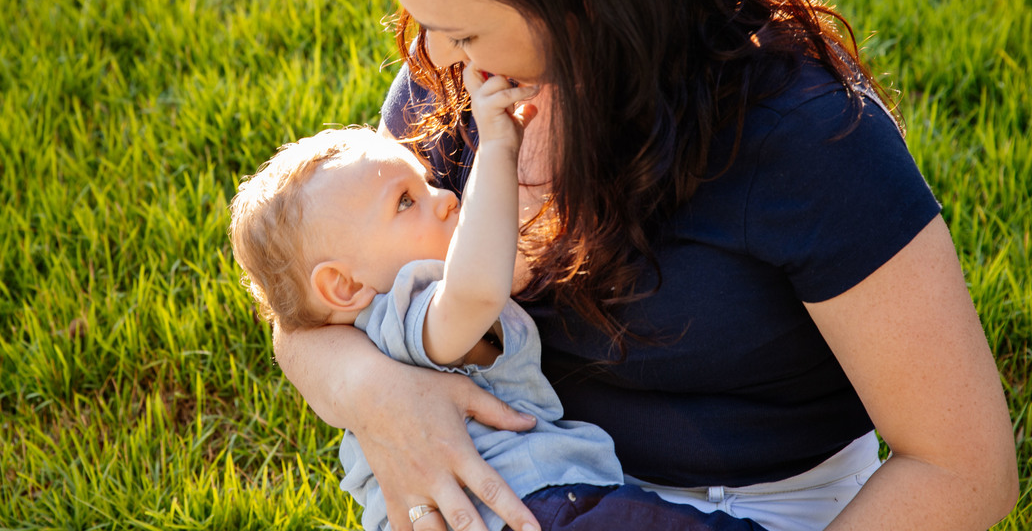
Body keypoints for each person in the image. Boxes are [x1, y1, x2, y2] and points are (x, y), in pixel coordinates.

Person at [272, 0, 1018, 531]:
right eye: (418, 17)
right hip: (539, 478)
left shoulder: (804, 135)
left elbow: (964, 469)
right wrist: (378, 396)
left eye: (458, 28)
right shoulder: (460, 86)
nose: (428, 56)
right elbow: (314, 308)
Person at [230, 64, 770, 531]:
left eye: (427, 183)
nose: (444, 198)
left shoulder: (364, 336)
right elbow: (476, 291)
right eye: (405, 202)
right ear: (343, 286)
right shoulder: (403, 310)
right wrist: (496, 149)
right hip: (535, 504)